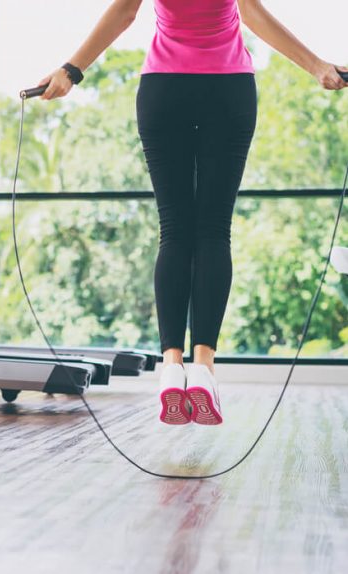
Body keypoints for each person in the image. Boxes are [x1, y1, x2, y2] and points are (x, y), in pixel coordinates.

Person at [38, 0, 347, 425]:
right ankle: (203, 367)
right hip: (228, 89)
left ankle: (171, 369)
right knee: (214, 231)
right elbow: (252, 14)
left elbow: (125, 12)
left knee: (175, 232)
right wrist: (316, 67)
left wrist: (71, 71)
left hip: (165, 90)